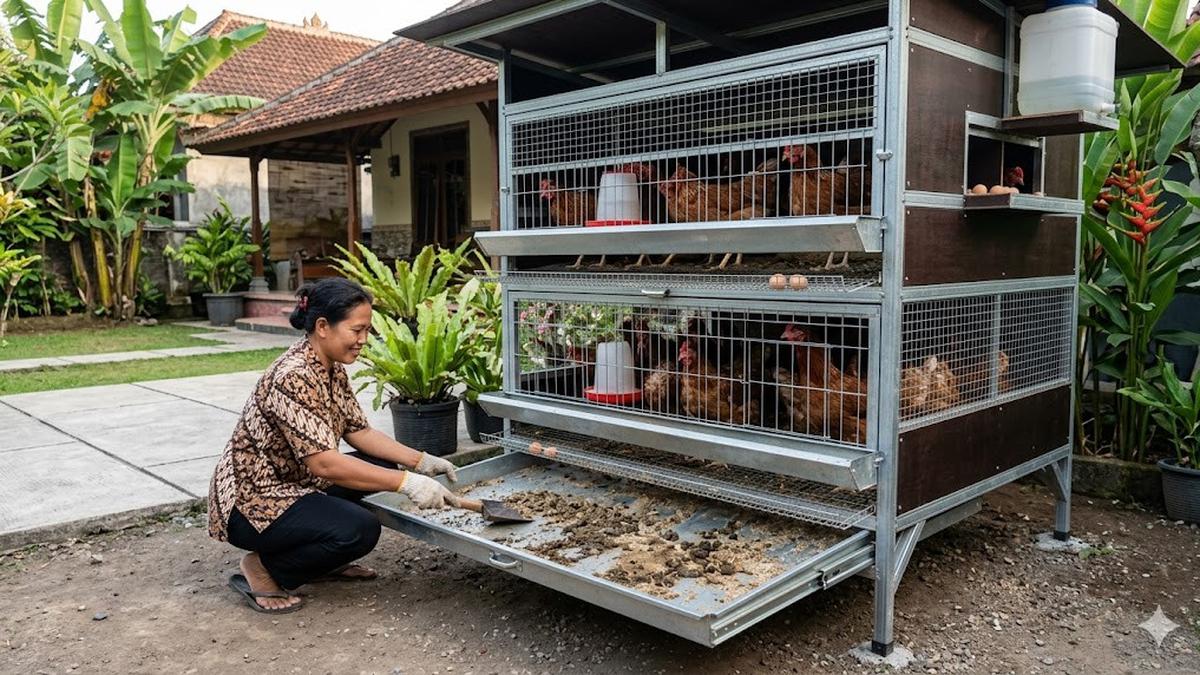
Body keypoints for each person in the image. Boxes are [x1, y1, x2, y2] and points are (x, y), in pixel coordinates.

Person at [208, 277, 462, 614]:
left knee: (383, 467)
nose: (363, 340)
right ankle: (263, 568)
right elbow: (324, 465)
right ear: (323, 326)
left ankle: (319, 559)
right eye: (357, 330)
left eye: (367, 331)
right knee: (359, 529)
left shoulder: (329, 367)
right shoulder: (293, 375)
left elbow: (358, 432)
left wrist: (421, 462)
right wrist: (408, 484)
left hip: (294, 484)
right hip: (253, 502)